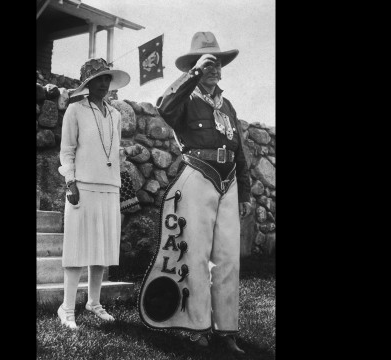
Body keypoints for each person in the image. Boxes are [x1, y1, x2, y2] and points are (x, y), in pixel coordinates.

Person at [137, 32, 252, 354]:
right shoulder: (185, 98)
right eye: (208, 63)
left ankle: (225, 330)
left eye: (217, 64)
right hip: (198, 176)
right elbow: (164, 107)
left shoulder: (227, 105)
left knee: (228, 260)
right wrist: (194, 74)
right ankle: (196, 326)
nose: (215, 68)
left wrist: (244, 194)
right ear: (196, 67)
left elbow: (239, 152)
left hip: (228, 182)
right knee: (195, 256)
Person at [57, 58, 142, 330]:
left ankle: (94, 302)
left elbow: (109, 152)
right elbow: (67, 150)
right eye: (99, 79)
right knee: (76, 248)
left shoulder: (115, 115)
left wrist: (125, 158)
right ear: (88, 84)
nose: (104, 84)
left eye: (107, 79)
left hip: (109, 187)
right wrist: (70, 182)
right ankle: (67, 308)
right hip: (82, 185)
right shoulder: (75, 110)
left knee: (101, 250)